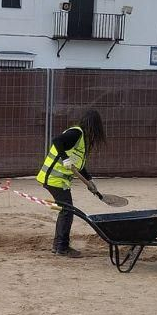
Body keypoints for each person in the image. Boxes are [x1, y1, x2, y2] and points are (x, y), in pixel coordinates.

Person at [36, 109, 111, 257]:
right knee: (67, 211)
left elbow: (78, 165)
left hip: (60, 180)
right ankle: (62, 247)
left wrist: (89, 180)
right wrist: (64, 158)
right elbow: (57, 141)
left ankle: (58, 246)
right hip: (53, 179)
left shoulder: (83, 141)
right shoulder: (76, 133)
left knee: (66, 210)